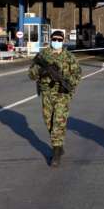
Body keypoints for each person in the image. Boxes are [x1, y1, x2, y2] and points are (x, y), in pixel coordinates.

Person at [28, 30, 81, 167]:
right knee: (48, 121)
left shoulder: (69, 57)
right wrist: (40, 71)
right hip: (46, 94)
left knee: (58, 121)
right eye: (54, 39)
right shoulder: (43, 55)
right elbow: (31, 74)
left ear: (63, 41)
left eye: (59, 39)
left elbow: (77, 75)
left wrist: (68, 84)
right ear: (51, 39)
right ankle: (58, 144)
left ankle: (56, 152)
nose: (56, 41)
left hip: (62, 94)